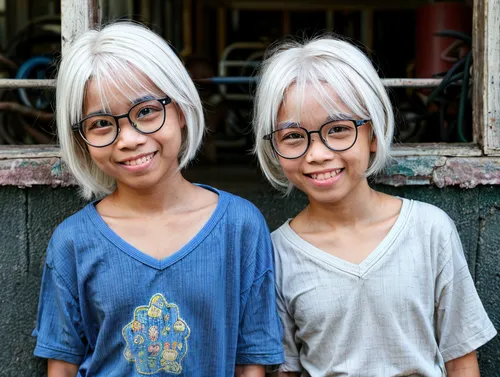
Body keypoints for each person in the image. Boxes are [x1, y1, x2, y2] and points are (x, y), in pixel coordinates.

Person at [32, 21, 284, 377]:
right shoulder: (72, 242)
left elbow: (251, 362)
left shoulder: (240, 227)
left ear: (180, 109)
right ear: (82, 140)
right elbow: (62, 365)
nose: (129, 138)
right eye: (101, 123)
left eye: (146, 111)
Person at [253, 35, 496, 377]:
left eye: (337, 129)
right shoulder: (276, 254)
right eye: (293, 136)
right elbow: (287, 370)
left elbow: (461, 360)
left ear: (372, 133)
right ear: (275, 146)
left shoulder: (429, 230)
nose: (317, 154)